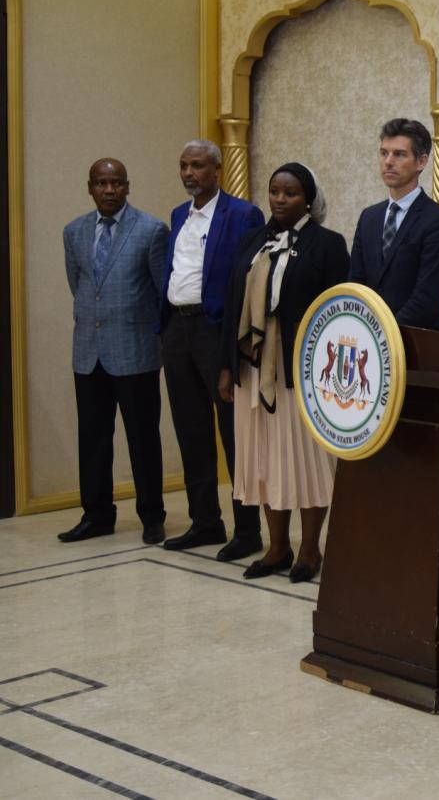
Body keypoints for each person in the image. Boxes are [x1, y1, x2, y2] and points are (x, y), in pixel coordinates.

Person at [219, 162, 350, 583]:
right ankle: (277, 548)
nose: (279, 199)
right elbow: (233, 303)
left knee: (307, 462)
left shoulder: (328, 245)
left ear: (308, 199)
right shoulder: (252, 241)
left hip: (301, 370)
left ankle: (310, 550)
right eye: (275, 191)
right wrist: (227, 366)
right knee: (264, 460)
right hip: (254, 366)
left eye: (290, 193)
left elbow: (339, 312)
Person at [159, 140, 266, 560]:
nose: (189, 173)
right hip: (177, 330)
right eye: (184, 165)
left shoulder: (242, 215)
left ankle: (247, 530)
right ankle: (205, 521)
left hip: (216, 332)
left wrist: (231, 352)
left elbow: (248, 282)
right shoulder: (178, 215)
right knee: (191, 430)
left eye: (198, 166)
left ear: (217, 170)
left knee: (233, 434)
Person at [59, 159, 169, 544]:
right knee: (92, 438)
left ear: (127, 186)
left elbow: (161, 292)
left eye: (117, 183)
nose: (109, 190)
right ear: (90, 187)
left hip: (135, 352)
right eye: (102, 183)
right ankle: (97, 515)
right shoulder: (73, 231)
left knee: (142, 438)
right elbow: (80, 286)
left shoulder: (151, 230)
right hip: (88, 352)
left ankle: (152, 516)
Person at [349, 118, 439, 331]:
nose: (388, 162)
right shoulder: (369, 218)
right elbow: (356, 284)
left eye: (399, 154)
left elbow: (427, 297)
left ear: (421, 162)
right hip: (369, 341)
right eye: (384, 153)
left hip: (417, 341)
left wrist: (384, 334)